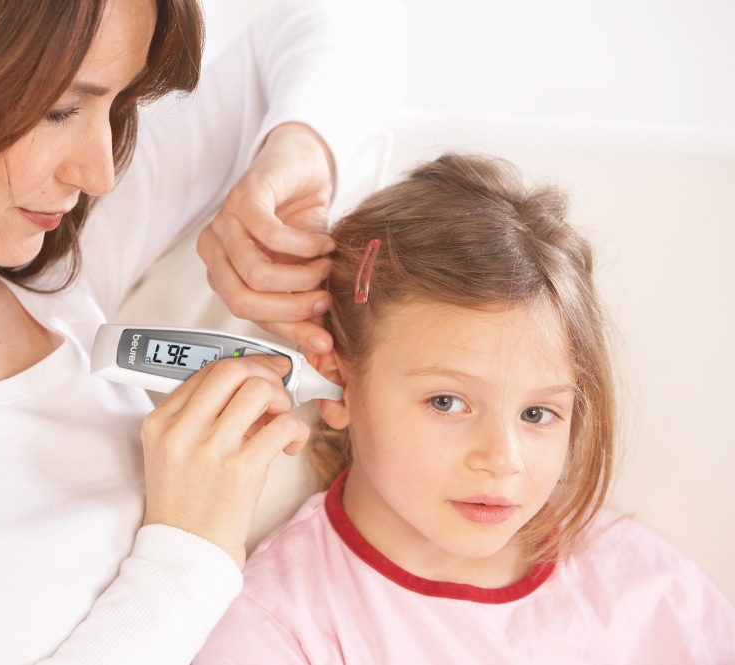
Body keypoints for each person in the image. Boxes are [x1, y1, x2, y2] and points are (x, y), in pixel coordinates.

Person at [0, 0, 405, 663]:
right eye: (59, 111)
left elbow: (340, 25)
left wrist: (289, 160)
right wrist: (188, 553)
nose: (99, 174)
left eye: (116, 104)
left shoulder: (45, 271)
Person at [195, 154, 735, 663]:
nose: (502, 460)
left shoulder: (650, 592)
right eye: (447, 402)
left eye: (536, 414)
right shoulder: (279, 624)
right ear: (337, 383)